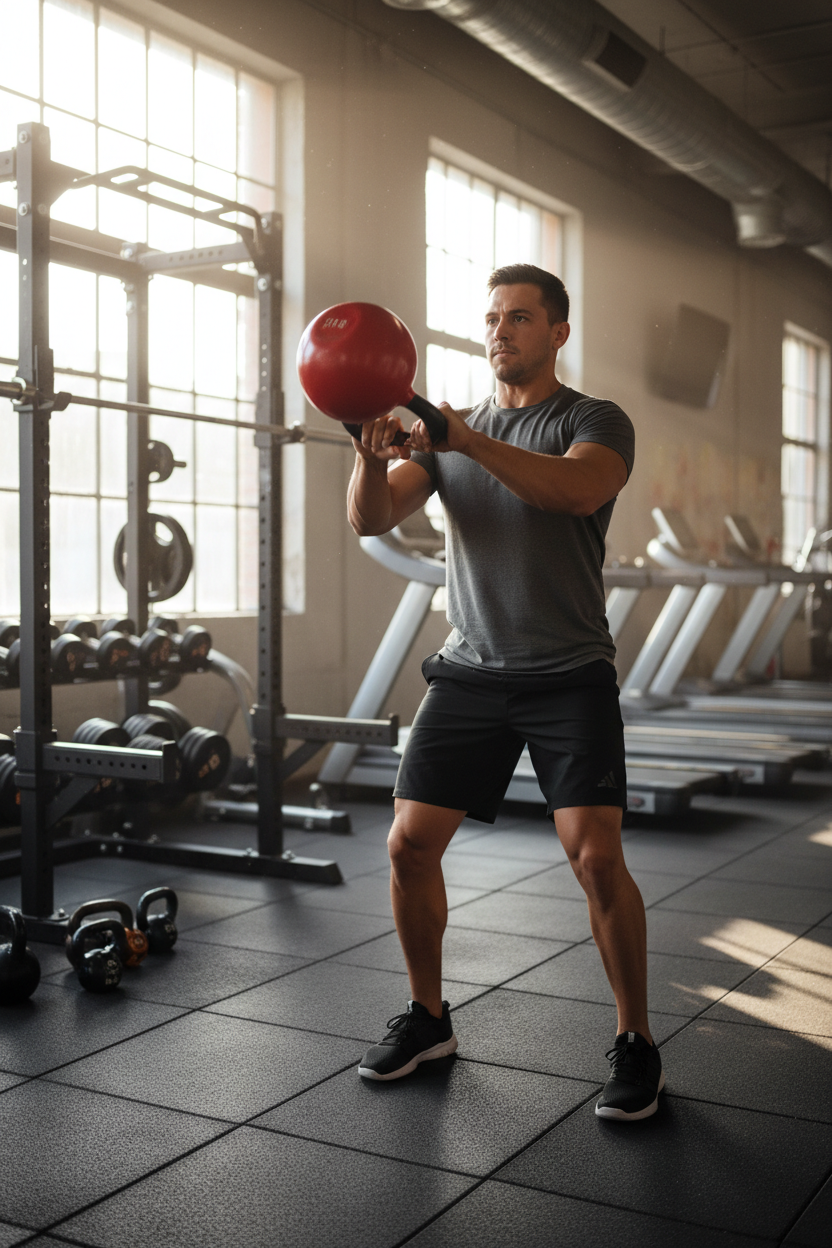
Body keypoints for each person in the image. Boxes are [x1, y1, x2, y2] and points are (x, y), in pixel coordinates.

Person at [346, 262, 663, 1121]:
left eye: (519, 318)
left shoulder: (592, 420)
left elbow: (578, 489)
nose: (499, 332)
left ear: (557, 332)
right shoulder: (454, 431)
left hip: (569, 676)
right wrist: (366, 451)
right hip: (473, 669)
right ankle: (429, 1018)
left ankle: (636, 1040)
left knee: (596, 859)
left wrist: (463, 440)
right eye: (491, 319)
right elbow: (371, 519)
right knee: (409, 845)